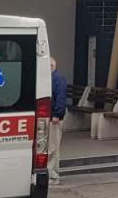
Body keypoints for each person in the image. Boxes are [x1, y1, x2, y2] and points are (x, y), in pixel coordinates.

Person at [49, 57, 67, 185]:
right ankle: (51, 174)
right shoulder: (54, 78)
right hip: (51, 118)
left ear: (51, 66)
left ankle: (53, 176)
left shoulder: (57, 78)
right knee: (51, 147)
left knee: (53, 148)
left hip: (54, 118)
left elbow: (61, 97)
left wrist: (56, 114)